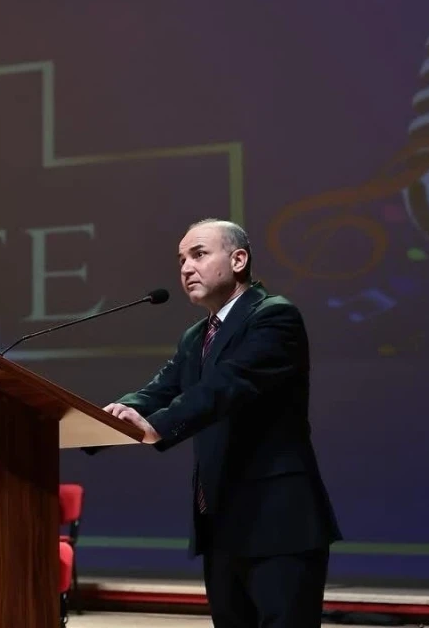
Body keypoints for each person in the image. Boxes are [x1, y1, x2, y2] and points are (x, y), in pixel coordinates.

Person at [102, 218, 340, 628]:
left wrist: (157, 426)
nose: (186, 268)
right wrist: (103, 419)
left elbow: (226, 385)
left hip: (277, 522)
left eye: (198, 255)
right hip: (221, 524)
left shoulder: (274, 317)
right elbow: (159, 390)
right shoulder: (196, 336)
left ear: (238, 260)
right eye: (181, 260)